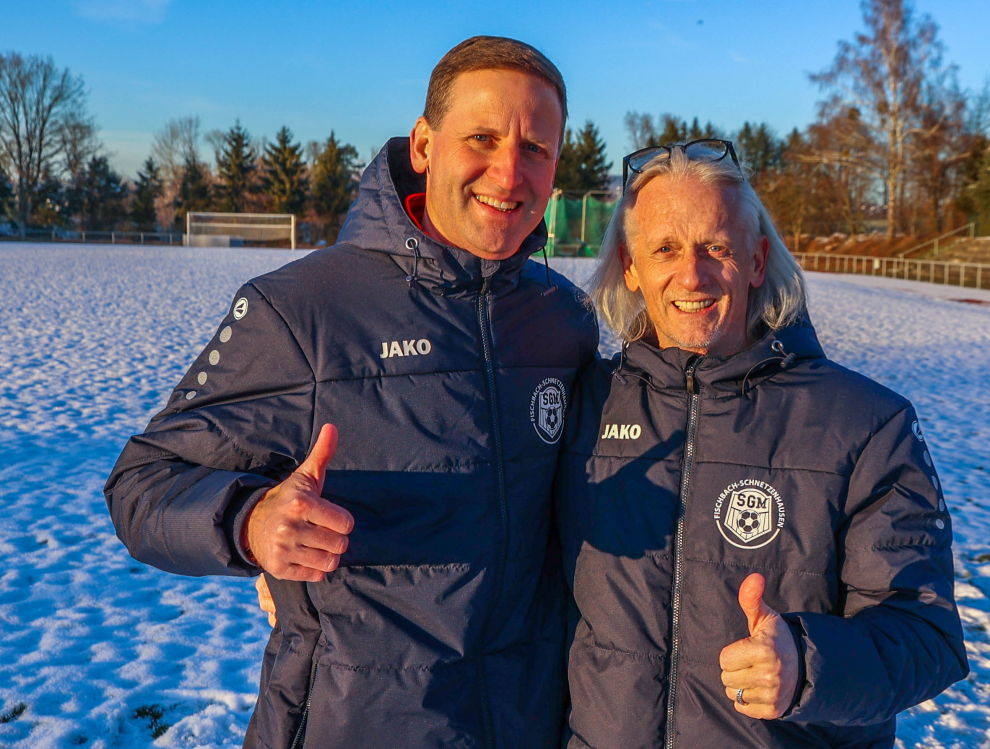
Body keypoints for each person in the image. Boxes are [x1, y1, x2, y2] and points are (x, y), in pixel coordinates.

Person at [105, 36, 598, 749]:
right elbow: (141, 484)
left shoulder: (563, 319)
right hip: (354, 722)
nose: (508, 171)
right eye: (482, 138)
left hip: (529, 719)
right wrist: (250, 521)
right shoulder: (304, 309)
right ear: (425, 144)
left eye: (536, 149)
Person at [554, 140, 968, 749]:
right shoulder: (579, 406)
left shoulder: (865, 422)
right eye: (665, 248)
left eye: (715, 247)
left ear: (755, 261)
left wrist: (809, 665)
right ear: (631, 265)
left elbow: (928, 633)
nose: (691, 275)